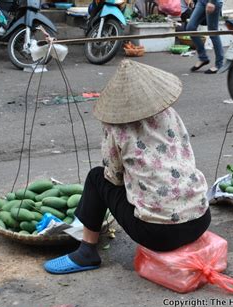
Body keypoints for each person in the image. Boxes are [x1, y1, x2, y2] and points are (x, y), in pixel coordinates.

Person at [44, 59, 211, 274]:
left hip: (158, 235)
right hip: (200, 219)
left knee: (96, 177)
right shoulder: (169, 114)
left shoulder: (116, 126)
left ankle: (86, 252)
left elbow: (112, 175)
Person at [186, 0, 224, 74]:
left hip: (213, 2)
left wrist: (212, 2)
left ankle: (219, 64)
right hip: (201, 1)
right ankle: (203, 58)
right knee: (190, 28)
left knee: (213, 33)